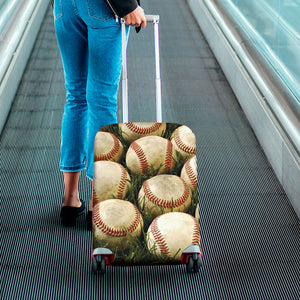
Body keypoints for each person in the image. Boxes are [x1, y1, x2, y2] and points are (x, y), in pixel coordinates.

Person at [53, 0, 146, 227]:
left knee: (75, 97)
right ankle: (99, 202)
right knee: (101, 102)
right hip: (103, 8)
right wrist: (128, 5)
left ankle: (70, 199)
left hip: (64, 7)